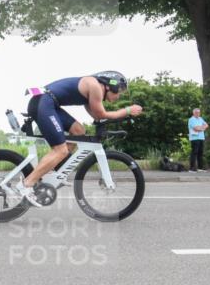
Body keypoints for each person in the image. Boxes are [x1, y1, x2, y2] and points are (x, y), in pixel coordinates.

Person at [17, 71, 143, 205]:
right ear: (110, 86)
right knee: (60, 150)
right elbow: (101, 114)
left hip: (47, 103)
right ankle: (26, 185)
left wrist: (120, 115)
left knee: (78, 131)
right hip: (43, 102)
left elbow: (97, 117)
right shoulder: (95, 87)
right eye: (119, 92)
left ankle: (55, 172)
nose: (118, 96)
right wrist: (127, 111)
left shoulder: (93, 88)